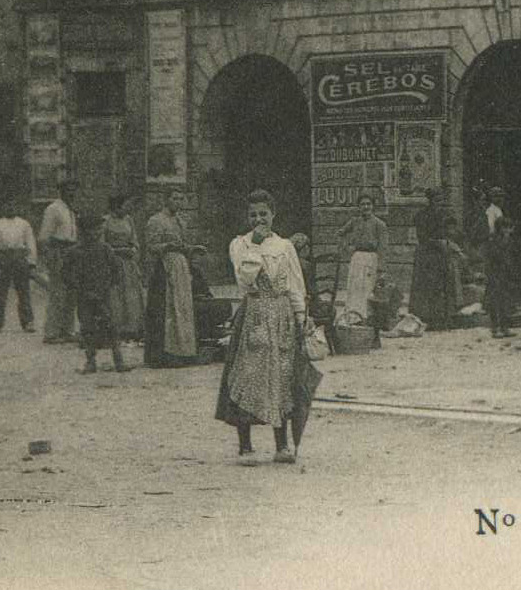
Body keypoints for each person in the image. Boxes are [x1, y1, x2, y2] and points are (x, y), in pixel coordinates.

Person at [215, 191, 320, 464]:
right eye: (253, 215)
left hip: (282, 316)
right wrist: (256, 247)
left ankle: (281, 445)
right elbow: (244, 280)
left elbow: (296, 285)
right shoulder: (239, 245)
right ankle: (245, 445)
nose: (258, 219)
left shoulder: (285, 247)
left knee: (282, 378)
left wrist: (301, 319)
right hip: (255, 315)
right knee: (247, 376)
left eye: (264, 213)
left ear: (274, 214)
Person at [143, 191, 205, 367]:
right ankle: (164, 355)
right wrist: (167, 246)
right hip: (164, 267)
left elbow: (183, 245)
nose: (178, 202)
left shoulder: (180, 221)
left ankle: (183, 352)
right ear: (166, 200)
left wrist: (193, 249)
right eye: (174, 198)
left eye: (180, 198)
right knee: (166, 309)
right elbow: (150, 246)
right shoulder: (156, 221)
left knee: (183, 307)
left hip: (181, 267)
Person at [69, 213, 129, 374]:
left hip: (104, 295)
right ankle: (90, 361)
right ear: (82, 231)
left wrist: (110, 286)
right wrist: (80, 289)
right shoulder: (75, 252)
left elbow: (116, 269)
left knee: (111, 326)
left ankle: (119, 361)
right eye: (91, 230)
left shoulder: (105, 249)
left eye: (98, 230)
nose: (95, 234)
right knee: (87, 328)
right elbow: (67, 274)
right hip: (84, 297)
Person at [0, 200, 38, 333]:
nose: (10, 208)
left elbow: (31, 244)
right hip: (4, 259)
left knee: (23, 291)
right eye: (7, 205)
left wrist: (31, 262)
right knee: (1, 292)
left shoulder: (24, 224)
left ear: (17, 207)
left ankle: (28, 322)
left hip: (19, 259)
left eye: (13, 205)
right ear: (3, 207)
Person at [408, 188, 461, 329]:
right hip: (427, 255)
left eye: (442, 200)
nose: (440, 203)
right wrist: (438, 242)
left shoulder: (445, 215)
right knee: (427, 287)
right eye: (437, 200)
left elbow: (452, 231)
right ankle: (427, 319)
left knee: (443, 286)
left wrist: (449, 242)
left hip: (442, 255)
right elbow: (421, 237)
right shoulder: (421, 216)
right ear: (430, 201)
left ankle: (443, 319)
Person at [39, 182, 80, 344]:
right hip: (59, 252)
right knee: (58, 292)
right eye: (68, 190)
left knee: (71, 293)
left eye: (73, 191)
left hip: (72, 252)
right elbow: (44, 237)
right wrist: (50, 258)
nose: (71, 194)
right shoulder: (53, 209)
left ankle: (67, 330)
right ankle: (52, 332)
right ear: (61, 191)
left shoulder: (70, 210)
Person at [101, 195, 146, 342]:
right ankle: (116, 328)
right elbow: (102, 245)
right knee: (115, 294)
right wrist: (118, 251)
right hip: (112, 263)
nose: (128, 209)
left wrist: (133, 250)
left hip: (128, 264)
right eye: (125, 206)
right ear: (117, 206)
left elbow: (135, 241)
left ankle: (132, 328)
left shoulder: (128, 220)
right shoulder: (106, 221)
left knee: (131, 294)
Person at [341, 194, 389, 325]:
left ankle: (367, 318)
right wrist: (347, 247)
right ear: (359, 207)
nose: (365, 207)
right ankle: (353, 317)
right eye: (362, 204)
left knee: (368, 288)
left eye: (368, 204)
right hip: (356, 258)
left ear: (373, 206)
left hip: (371, 258)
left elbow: (383, 248)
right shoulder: (354, 221)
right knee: (355, 287)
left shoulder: (379, 224)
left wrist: (381, 268)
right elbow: (341, 233)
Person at [484, 216, 521, 338]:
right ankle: (495, 328)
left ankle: (505, 327)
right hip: (495, 274)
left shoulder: (511, 241)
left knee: (507, 302)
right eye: (505, 228)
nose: (508, 231)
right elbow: (492, 257)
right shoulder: (493, 241)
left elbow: (515, 257)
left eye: (510, 228)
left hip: (507, 274)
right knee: (495, 302)